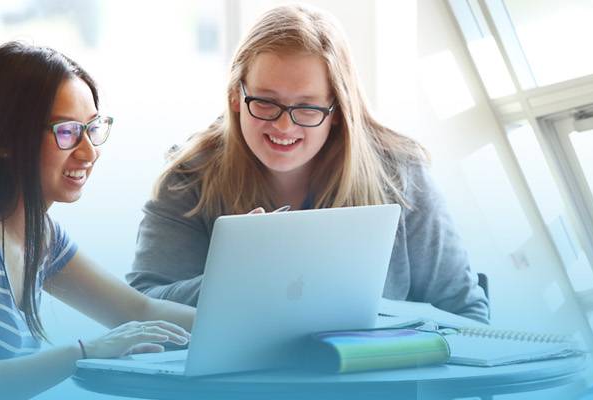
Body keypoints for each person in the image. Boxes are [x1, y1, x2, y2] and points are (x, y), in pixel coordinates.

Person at [127, 4, 489, 323]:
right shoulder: (190, 177)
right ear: (236, 95)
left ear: (336, 111)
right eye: (265, 102)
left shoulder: (400, 175)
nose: (284, 126)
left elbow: (467, 315)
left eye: (307, 107)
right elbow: (135, 308)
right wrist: (234, 275)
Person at [0, 41, 195, 400]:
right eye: (67, 132)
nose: (89, 152)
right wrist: (82, 353)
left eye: (92, 128)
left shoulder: (39, 234)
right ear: (4, 140)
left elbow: (137, 310)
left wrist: (255, 332)